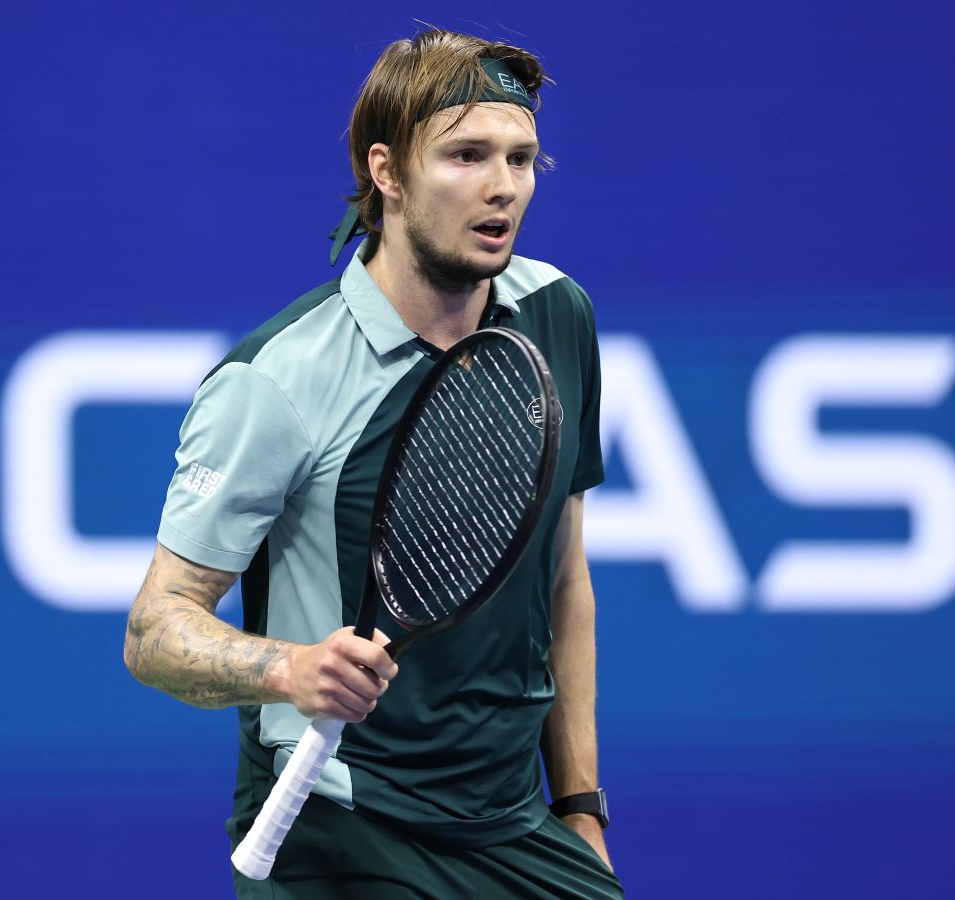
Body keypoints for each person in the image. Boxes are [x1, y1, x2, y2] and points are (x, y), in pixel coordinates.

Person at [123, 27, 622, 899]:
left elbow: (562, 578)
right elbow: (155, 629)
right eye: (466, 155)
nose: (503, 186)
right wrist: (287, 669)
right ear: (386, 172)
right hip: (339, 834)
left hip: (510, 824)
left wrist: (579, 806)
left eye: (521, 159)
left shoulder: (556, 314)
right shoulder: (275, 380)